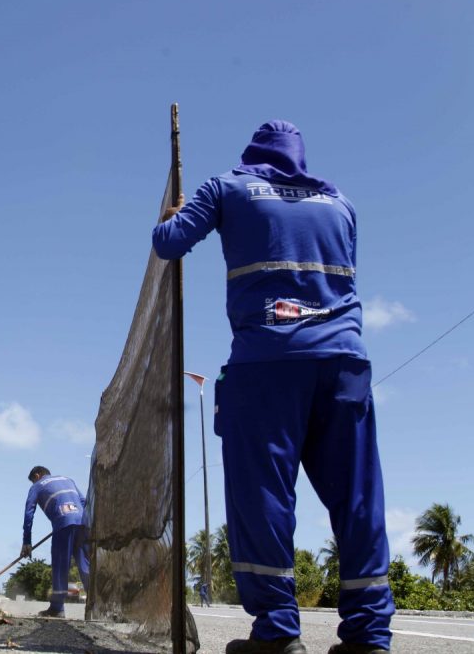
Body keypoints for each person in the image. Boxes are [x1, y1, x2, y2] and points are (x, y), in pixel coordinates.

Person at [152, 121, 394, 654]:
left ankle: (278, 633)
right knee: (358, 499)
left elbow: (169, 243)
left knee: (263, 493)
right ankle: (370, 636)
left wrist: (171, 214)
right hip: (346, 362)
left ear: (252, 156)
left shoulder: (227, 187)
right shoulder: (341, 203)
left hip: (268, 361)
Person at [20, 465, 90, 618]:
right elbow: (84, 501)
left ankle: (57, 608)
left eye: (33, 480)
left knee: (60, 565)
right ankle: (95, 606)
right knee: (85, 565)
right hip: (83, 523)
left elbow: (29, 513)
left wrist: (27, 541)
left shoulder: (37, 486)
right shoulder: (67, 479)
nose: (34, 483)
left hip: (63, 524)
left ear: (37, 476)